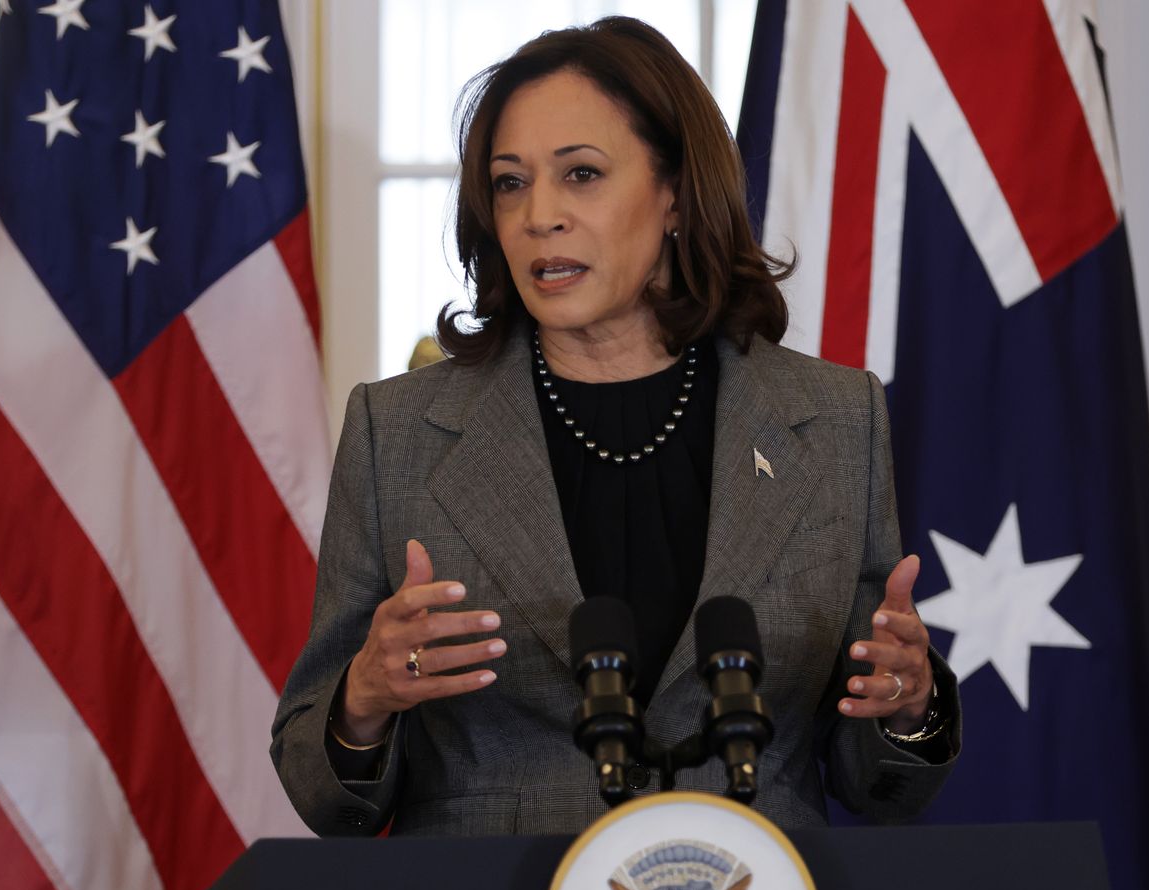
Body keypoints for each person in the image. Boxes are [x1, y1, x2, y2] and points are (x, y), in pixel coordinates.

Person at [271, 16, 961, 838]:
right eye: (510, 183)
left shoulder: (837, 420)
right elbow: (322, 789)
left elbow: (877, 781)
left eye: (582, 175)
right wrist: (364, 698)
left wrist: (908, 705)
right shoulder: (400, 433)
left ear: (674, 192)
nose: (539, 216)